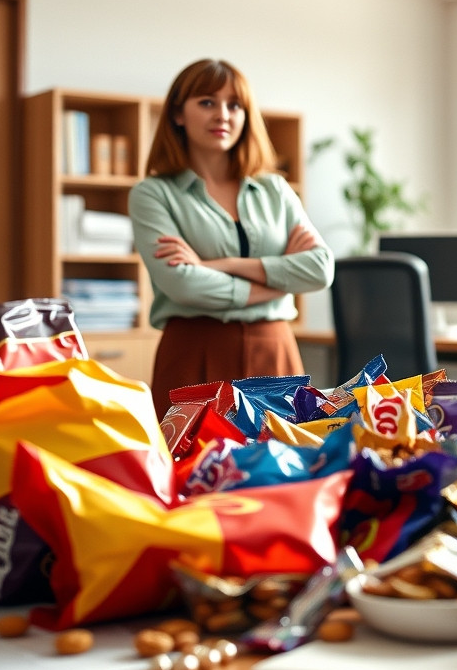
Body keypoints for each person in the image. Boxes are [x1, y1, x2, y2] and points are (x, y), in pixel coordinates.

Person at [130, 58, 334, 416]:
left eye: (234, 104)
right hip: (194, 352)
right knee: (193, 468)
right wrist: (279, 281)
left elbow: (319, 269)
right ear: (178, 114)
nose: (223, 114)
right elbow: (183, 285)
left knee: (283, 466)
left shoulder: (276, 189)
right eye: (207, 102)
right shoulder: (153, 194)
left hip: (275, 350)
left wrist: (217, 265)